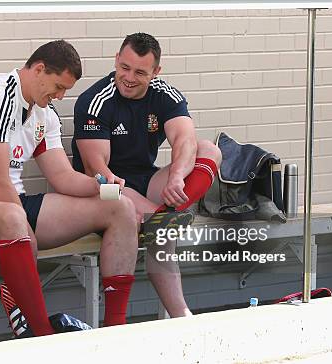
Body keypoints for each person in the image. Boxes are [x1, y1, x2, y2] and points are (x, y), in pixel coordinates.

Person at [0, 40, 138, 337]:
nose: (60, 95)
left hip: (12, 205)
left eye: (66, 90)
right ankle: (41, 334)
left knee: (121, 207)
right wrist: (26, 236)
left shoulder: (44, 112)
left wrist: (102, 185)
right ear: (39, 69)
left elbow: (62, 178)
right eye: (58, 86)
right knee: (13, 218)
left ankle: (115, 332)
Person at [72, 33, 222, 318]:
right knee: (158, 226)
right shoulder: (95, 100)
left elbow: (185, 140)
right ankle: (164, 222)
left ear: (156, 72)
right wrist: (155, 211)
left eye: (140, 72)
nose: (129, 77)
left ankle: (163, 219)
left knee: (209, 150)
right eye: (124, 67)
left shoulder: (166, 95)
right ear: (116, 60)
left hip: (146, 181)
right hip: (104, 191)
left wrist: (177, 176)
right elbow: (96, 170)